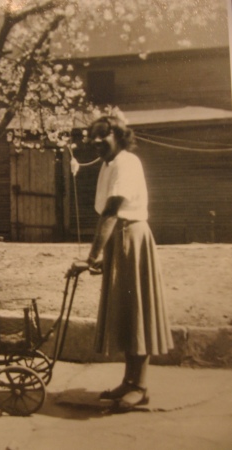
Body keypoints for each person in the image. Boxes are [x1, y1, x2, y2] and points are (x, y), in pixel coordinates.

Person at [85, 115, 174, 412]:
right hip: (118, 240)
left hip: (131, 238)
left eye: (102, 135)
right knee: (125, 313)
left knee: (137, 310)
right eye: (91, 136)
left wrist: (93, 255)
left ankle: (141, 386)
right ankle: (129, 380)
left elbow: (111, 211)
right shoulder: (109, 164)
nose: (95, 141)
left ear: (119, 135)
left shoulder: (126, 162)